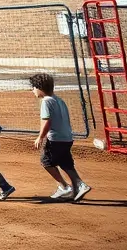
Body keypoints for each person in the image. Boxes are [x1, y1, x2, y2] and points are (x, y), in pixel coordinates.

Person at [30, 73, 90, 202]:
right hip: (67, 138)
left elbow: (46, 121)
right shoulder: (59, 100)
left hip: (55, 139)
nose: (32, 91)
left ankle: (65, 186)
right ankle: (78, 186)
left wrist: (40, 137)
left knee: (46, 162)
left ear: (39, 88)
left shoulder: (46, 102)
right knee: (65, 163)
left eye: (33, 87)